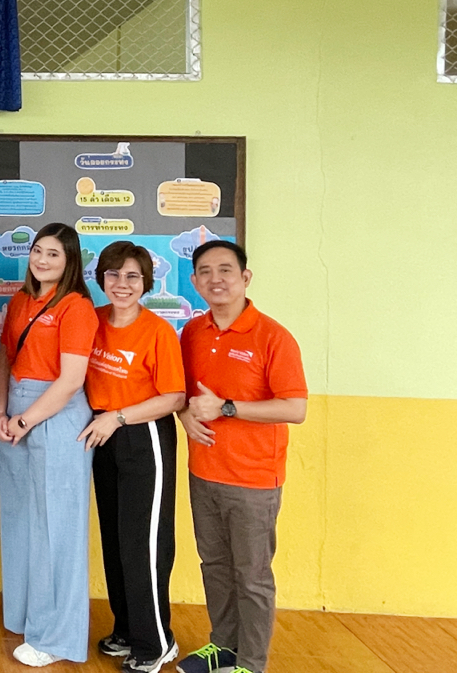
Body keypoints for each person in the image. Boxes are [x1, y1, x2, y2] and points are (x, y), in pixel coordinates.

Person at [176, 241, 306, 673]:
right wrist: (183, 415)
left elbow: (295, 409)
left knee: (251, 577)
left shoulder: (273, 336)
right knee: (214, 565)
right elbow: (178, 392)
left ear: (245, 278)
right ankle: (223, 647)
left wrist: (228, 407)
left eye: (226, 270)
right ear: (194, 282)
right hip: (203, 472)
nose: (217, 279)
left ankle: (251, 663)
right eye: (206, 272)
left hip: (253, 481)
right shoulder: (192, 333)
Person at [0, 222, 98, 667]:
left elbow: (72, 379)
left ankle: (57, 638)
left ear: (70, 261)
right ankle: (26, 615)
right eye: (38, 250)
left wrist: (24, 419)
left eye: (54, 254)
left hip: (54, 416)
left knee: (58, 529)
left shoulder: (76, 308)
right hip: (15, 412)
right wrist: (1, 413)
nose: (42, 260)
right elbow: (5, 362)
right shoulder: (19, 301)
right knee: (21, 521)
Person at [79, 241, 186, 672]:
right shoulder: (94, 320)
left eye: (132, 277)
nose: (121, 285)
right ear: (100, 278)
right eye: (113, 275)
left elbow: (174, 396)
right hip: (103, 434)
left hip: (144, 438)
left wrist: (119, 418)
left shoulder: (157, 331)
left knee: (145, 544)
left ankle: (156, 643)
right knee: (117, 539)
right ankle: (126, 628)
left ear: (146, 282)